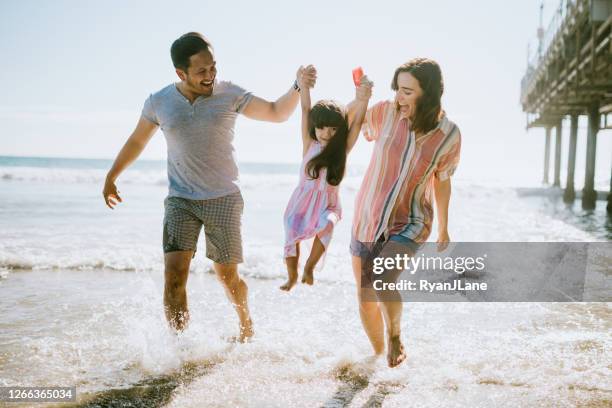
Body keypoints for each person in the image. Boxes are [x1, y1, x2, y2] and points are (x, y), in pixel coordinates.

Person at [102, 32, 316, 342]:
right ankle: (180, 349)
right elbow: (137, 140)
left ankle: (245, 325)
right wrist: (112, 175)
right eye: (201, 71)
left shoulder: (228, 94)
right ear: (181, 73)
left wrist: (297, 86)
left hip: (223, 199)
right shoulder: (159, 102)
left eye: (213, 67)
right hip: (180, 200)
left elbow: (275, 112)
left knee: (227, 277)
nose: (210, 75)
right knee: (174, 278)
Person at [348, 58, 461, 367]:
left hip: (411, 220)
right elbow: (352, 124)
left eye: (408, 92)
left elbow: (443, 180)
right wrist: (359, 100)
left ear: (429, 93)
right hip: (368, 216)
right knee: (366, 298)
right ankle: (376, 361)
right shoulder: (385, 112)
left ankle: (395, 336)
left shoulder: (448, 134)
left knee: (383, 276)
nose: (400, 97)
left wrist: (444, 228)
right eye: (398, 89)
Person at [280, 66, 373, 291]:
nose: (326, 133)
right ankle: (292, 276)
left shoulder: (342, 149)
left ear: (339, 130)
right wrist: (303, 87)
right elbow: (304, 109)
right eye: (321, 128)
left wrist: (363, 99)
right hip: (301, 202)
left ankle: (310, 267)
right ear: (314, 127)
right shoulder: (309, 144)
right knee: (291, 235)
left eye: (333, 129)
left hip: (327, 204)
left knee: (329, 224)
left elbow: (358, 123)